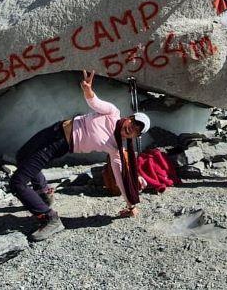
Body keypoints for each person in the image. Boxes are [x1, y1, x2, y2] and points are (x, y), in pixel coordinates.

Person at [9, 70, 151, 241]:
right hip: (55, 130)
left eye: (137, 130)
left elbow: (120, 177)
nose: (132, 128)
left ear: (136, 137)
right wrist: (87, 89)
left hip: (59, 144)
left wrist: (130, 205)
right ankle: (44, 192)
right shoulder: (113, 113)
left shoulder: (116, 148)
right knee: (22, 156)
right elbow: (94, 102)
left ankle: (50, 218)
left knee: (17, 182)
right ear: (129, 118)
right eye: (134, 123)